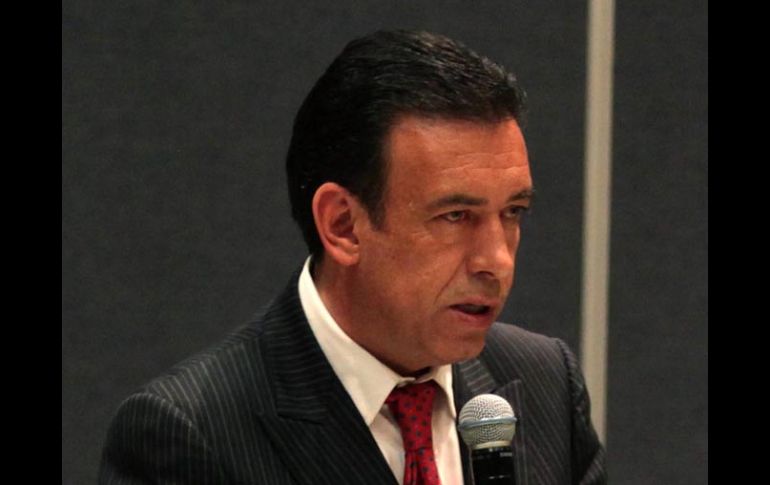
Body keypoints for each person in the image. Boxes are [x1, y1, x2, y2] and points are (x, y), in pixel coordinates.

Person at [99, 29, 606, 485]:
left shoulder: (545, 385)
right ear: (342, 225)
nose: (496, 260)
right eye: (455, 216)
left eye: (513, 212)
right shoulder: (191, 435)